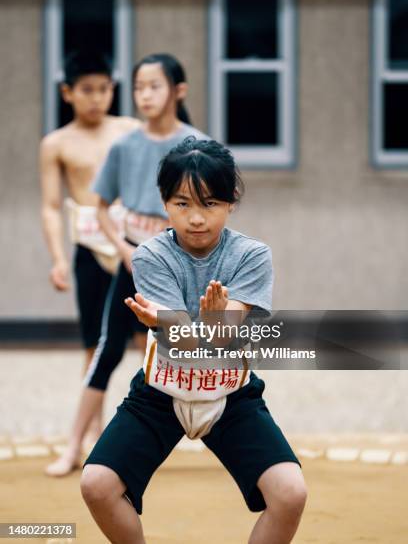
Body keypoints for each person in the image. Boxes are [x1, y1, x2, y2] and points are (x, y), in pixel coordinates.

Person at [81, 137, 307, 544]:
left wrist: (198, 325)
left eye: (210, 203)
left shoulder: (252, 256)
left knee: (290, 494)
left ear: (231, 202)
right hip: (160, 390)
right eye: (183, 204)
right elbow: (185, 341)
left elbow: (216, 338)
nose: (197, 218)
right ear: (164, 203)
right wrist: (202, 325)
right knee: (96, 484)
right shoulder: (149, 255)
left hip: (230, 392)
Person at [45, 53, 208, 477]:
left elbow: (213, 209)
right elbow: (100, 208)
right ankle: (73, 446)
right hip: (132, 257)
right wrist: (123, 250)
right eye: (139, 87)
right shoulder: (125, 144)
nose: (145, 95)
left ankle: (216, 436)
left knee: (189, 349)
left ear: (178, 91)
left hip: (178, 260)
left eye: (154, 86)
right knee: (106, 350)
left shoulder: (196, 145)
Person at [40, 50, 142, 471]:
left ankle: (151, 430)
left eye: (103, 89)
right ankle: (95, 439)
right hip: (88, 246)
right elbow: (49, 205)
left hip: (133, 244)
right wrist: (57, 258)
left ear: (112, 90)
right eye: (87, 90)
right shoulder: (57, 143)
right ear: (67, 93)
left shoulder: (131, 130)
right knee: (93, 346)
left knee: (145, 339)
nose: (96, 98)